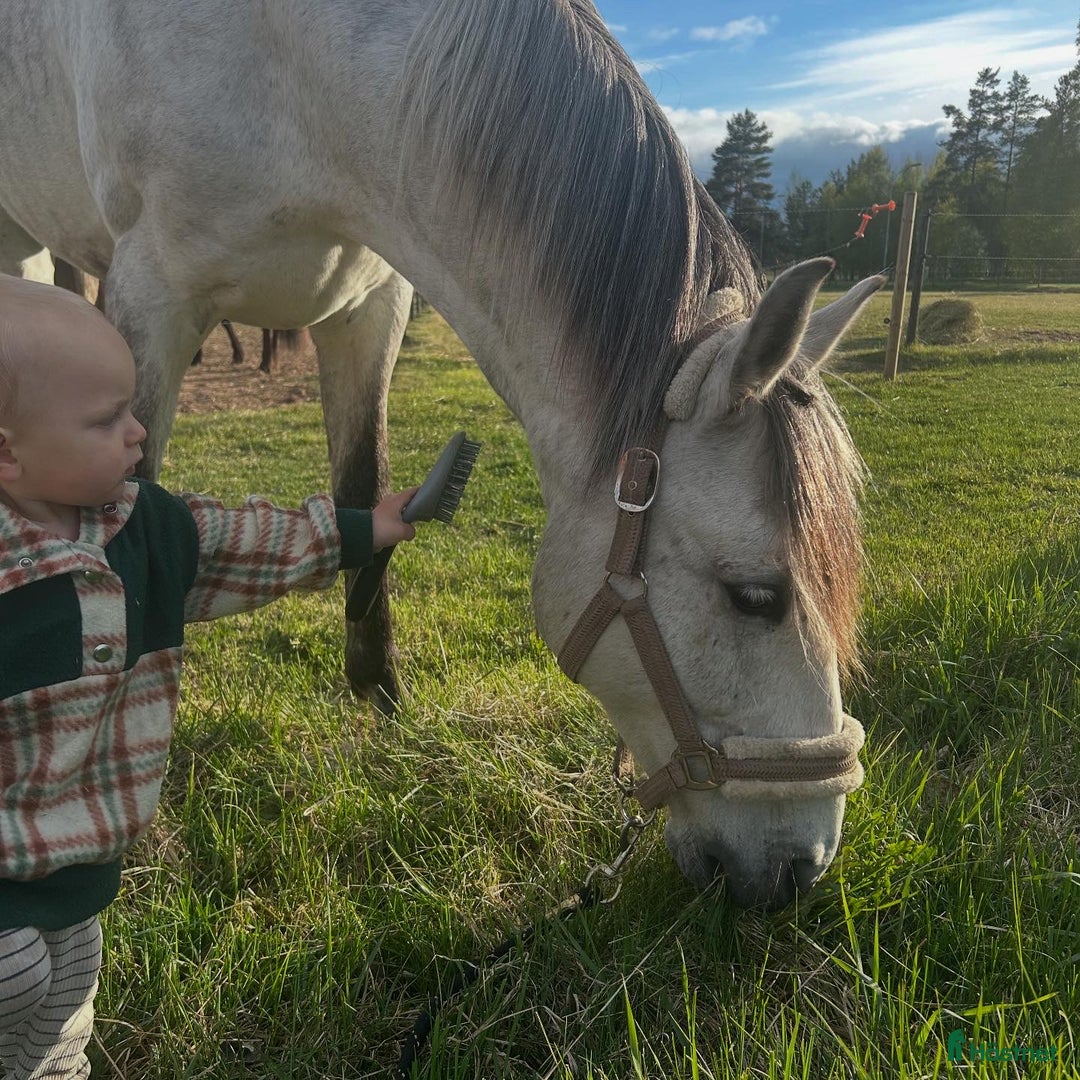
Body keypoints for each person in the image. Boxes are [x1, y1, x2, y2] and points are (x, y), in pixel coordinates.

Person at [0, 275, 417, 1077]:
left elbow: (245, 543)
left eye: (130, 409)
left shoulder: (146, 530)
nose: (138, 432)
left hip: (82, 864)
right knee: (15, 973)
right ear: (7, 451)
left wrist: (362, 529)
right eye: (106, 420)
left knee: (68, 984)